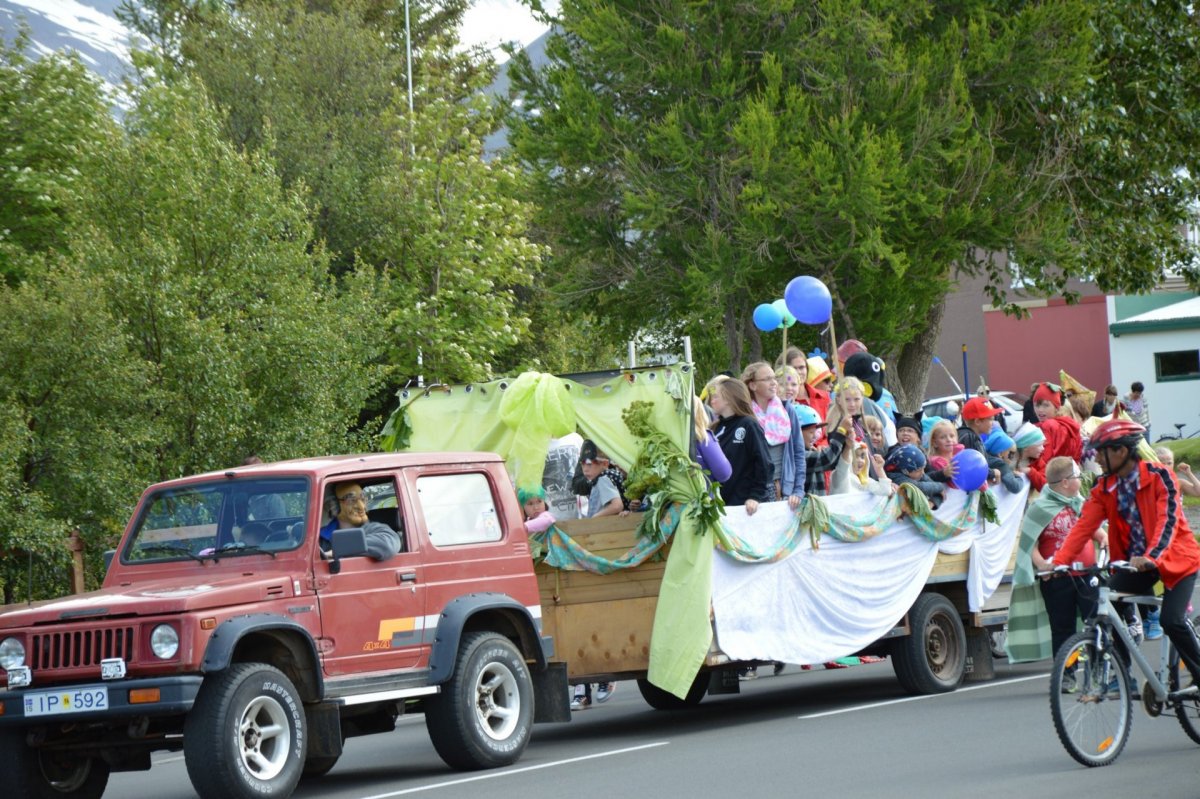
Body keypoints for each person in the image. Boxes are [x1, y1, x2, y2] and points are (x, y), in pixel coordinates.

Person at [1050, 419, 1200, 694]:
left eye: (1100, 451)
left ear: (1120, 451)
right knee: (1106, 604)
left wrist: (1151, 556)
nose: (1095, 458)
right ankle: (1122, 675)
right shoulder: (1105, 486)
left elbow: (1168, 522)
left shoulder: (1159, 476)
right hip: (1136, 564)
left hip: (1177, 559)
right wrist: (1059, 562)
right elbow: (1084, 526)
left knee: (1171, 620)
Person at [1022, 457, 1096, 662]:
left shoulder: (1080, 503)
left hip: (1087, 574)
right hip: (1057, 578)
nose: (1081, 479)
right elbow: (1029, 545)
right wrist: (1042, 565)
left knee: (1097, 623)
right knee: (1063, 629)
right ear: (1065, 482)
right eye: (1078, 476)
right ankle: (1067, 672)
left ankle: (1102, 667)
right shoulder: (1039, 508)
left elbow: (1097, 532)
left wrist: (1105, 539)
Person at [743, 361, 805, 507]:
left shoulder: (787, 410)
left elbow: (798, 453)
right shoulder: (745, 415)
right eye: (767, 379)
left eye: (774, 378)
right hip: (755, 492)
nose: (773, 383)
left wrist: (798, 490)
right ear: (752, 385)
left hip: (785, 490)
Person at [709, 378, 773, 515]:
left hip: (744, 507)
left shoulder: (748, 425)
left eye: (716, 396)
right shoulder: (715, 428)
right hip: (721, 506)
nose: (711, 401)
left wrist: (755, 496)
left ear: (729, 398)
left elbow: (764, 462)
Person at [319, 482, 401, 561]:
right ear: (333, 505)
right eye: (351, 500)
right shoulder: (320, 537)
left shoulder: (376, 529)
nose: (362, 507)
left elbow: (388, 545)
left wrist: (341, 550)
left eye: (363, 499)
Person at [800, 403, 848, 496]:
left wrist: (848, 445)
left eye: (816, 432)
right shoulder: (796, 456)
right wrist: (841, 432)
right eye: (811, 432)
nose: (815, 436)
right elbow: (826, 458)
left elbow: (834, 462)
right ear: (796, 432)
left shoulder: (812, 451)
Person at [883, 444, 945, 509]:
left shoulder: (918, 473)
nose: (923, 472)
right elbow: (918, 487)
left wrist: (932, 503)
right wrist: (940, 486)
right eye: (919, 470)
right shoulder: (895, 477)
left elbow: (939, 492)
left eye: (923, 468)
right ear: (905, 471)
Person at [578, 441, 625, 518]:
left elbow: (617, 506)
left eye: (589, 464)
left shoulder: (603, 480)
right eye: (582, 464)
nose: (585, 469)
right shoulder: (598, 480)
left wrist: (595, 517)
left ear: (604, 464)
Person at [1013, 422, 1048, 491]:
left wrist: (1030, 472)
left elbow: (1046, 487)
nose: (1043, 448)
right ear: (1026, 446)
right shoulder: (1007, 459)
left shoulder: (1038, 462)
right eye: (1039, 445)